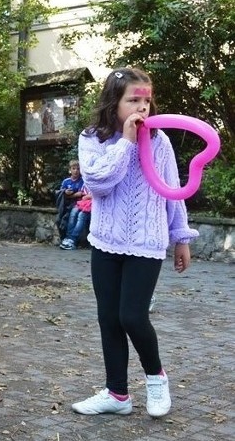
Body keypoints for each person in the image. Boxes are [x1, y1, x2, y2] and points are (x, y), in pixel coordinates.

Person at [71, 67, 198, 419]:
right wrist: (126, 142)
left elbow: (173, 191)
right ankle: (117, 394)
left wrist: (181, 238)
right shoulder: (92, 138)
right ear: (115, 104)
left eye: (146, 100)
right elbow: (98, 184)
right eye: (133, 100)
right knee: (109, 318)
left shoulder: (160, 141)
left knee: (133, 316)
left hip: (147, 242)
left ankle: (157, 379)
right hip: (105, 242)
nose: (142, 108)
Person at [55, 160, 84, 238]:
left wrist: (71, 195)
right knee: (58, 220)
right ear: (70, 170)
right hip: (65, 204)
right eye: (73, 168)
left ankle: (70, 237)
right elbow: (60, 194)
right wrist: (65, 192)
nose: (76, 171)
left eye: (78, 169)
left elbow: (80, 194)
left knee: (72, 216)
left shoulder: (82, 181)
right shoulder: (66, 181)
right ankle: (63, 238)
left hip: (77, 204)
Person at [59, 185, 91, 250]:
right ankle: (69, 238)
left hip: (93, 205)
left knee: (81, 215)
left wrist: (88, 196)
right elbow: (81, 193)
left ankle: (72, 239)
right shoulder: (85, 183)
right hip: (84, 203)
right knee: (73, 212)